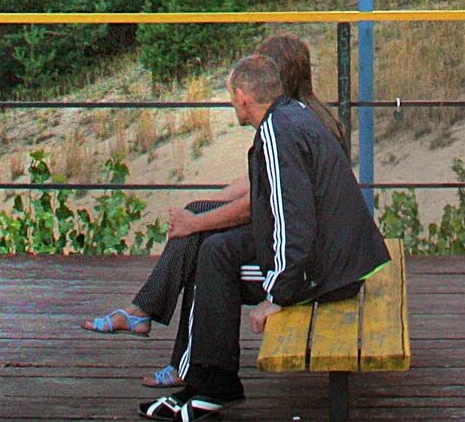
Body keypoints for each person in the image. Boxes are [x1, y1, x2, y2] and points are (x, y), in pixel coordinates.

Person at [141, 50, 388, 419]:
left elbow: (295, 221)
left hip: (329, 273)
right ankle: (203, 381)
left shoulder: (278, 132)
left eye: (230, 97)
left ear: (242, 96)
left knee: (212, 266)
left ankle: (213, 385)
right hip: (339, 258)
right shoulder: (290, 117)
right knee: (214, 251)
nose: (232, 105)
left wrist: (279, 294)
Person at [86, 35, 342, 389]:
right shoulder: (298, 116)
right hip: (293, 232)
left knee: (207, 253)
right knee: (201, 234)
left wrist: (198, 222)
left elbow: (266, 205)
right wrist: (206, 207)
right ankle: (153, 322)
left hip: (305, 252)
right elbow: (259, 184)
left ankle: (157, 328)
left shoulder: (289, 125)